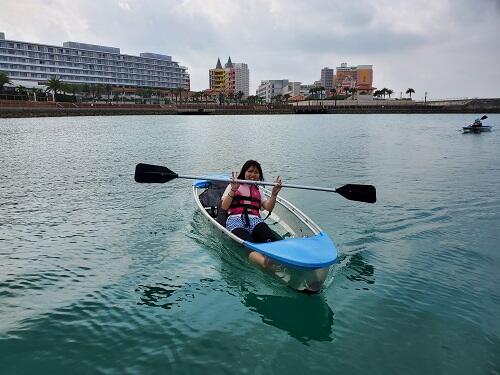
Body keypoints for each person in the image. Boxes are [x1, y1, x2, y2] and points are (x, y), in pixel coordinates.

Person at [221, 160, 282, 268]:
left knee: (270, 239)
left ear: (260, 175)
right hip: (235, 219)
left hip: (254, 220)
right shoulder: (233, 186)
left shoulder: (259, 189)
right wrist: (233, 190)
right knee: (249, 245)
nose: (253, 174)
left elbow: (268, 207)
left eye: (256, 172)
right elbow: (224, 207)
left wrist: (273, 195)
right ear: (244, 172)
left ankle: (280, 260)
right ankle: (264, 263)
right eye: (250, 171)